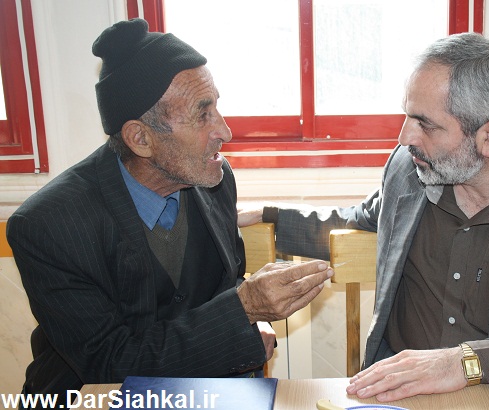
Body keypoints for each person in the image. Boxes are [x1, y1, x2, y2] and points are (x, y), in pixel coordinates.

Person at [243, 32, 489, 404]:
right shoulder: (409, 169)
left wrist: (467, 362)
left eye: (426, 125)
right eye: (408, 116)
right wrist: (269, 216)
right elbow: (359, 220)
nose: (404, 138)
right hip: (395, 398)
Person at [6, 18, 333, 407]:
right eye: (202, 114)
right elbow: (110, 365)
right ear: (140, 138)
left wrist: (253, 316)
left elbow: (225, 282)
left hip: (199, 390)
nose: (225, 131)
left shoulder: (214, 181)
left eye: (217, 107)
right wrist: (244, 308)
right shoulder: (48, 225)